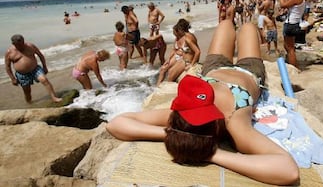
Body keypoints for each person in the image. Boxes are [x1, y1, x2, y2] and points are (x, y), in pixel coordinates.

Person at [106, 19, 299, 185]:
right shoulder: (234, 122)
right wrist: (214, 154)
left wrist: (175, 136)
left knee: (225, 23)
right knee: (248, 26)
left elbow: (116, 124)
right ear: (214, 131)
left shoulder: (179, 115)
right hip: (248, 72)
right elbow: (288, 171)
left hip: (212, 70)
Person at [4, 34, 62, 103]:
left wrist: (45, 67)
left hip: (35, 69)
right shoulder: (9, 52)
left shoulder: (30, 46)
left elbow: (40, 55)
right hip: (22, 74)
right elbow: (8, 67)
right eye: (19, 45)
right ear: (13, 44)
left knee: (44, 80)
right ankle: (29, 103)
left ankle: (54, 97)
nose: (21, 46)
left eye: (22, 43)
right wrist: (13, 78)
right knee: (27, 91)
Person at [156, 19, 201, 86]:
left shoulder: (188, 38)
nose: (174, 33)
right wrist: (169, 59)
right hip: (183, 59)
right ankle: (158, 86)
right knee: (166, 70)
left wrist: (191, 64)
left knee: (170, 76)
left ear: (180, 30)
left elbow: (198, 51)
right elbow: (176, 50)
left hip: (186, 61)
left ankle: (168, 91)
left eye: (175, 31)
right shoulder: (181, 37)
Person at [278, 0, 309, 68]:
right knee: (288, 47)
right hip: (294, 24)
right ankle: (294, 65)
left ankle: (294, 68)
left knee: (290, 49)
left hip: (291, 25)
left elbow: (282, 5)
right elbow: (287, 5)